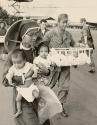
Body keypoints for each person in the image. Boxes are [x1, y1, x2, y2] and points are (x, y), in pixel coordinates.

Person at [2, 30, 51, 125]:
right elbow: (4, 80)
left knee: (44, 121)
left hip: (38, 94)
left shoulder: (38, 50)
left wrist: (47, 72)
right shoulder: (14, 53)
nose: (34, 37)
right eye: (31, 34)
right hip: (23, 96)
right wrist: (23, 78)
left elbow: (49, 67)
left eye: (36, 34)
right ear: (22, 36)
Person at [43, 13, 75, 117]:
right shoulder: (50, 34)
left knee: (65, 87)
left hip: (65, 65)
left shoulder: (68, 35)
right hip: (53, 65)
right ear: (58, 22)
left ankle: (60, 106)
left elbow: (73, 44)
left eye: (66, 22)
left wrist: (80, 45)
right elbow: (42, 46)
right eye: (63, 22)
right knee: (48, 85)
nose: (65, 24)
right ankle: (41, 104)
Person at [33, 43, 62, 124]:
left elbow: (53, 65)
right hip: (38, 81)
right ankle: (40, 117)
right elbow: (36, 66)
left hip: (45, 81)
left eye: (46, 51)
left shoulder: (48, 59)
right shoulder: (37, 59)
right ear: (38, 52)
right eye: (41, 51)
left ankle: (43, 116)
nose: (44, 53)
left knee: (46, 101)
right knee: (44, 100)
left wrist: (53, 64)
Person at [6, 49, 39, 118]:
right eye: (14, 62)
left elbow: (34, 67)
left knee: (36, 95)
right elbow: (9, 73)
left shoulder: (27, 65)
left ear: (24, 60)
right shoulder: (13, 68)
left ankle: (40, 103)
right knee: (18, 99)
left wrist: (35, 70)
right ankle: (19, 110)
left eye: (19, 62)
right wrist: (9, 79)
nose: (16, 65)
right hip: (22, 87)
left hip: (30, 86)